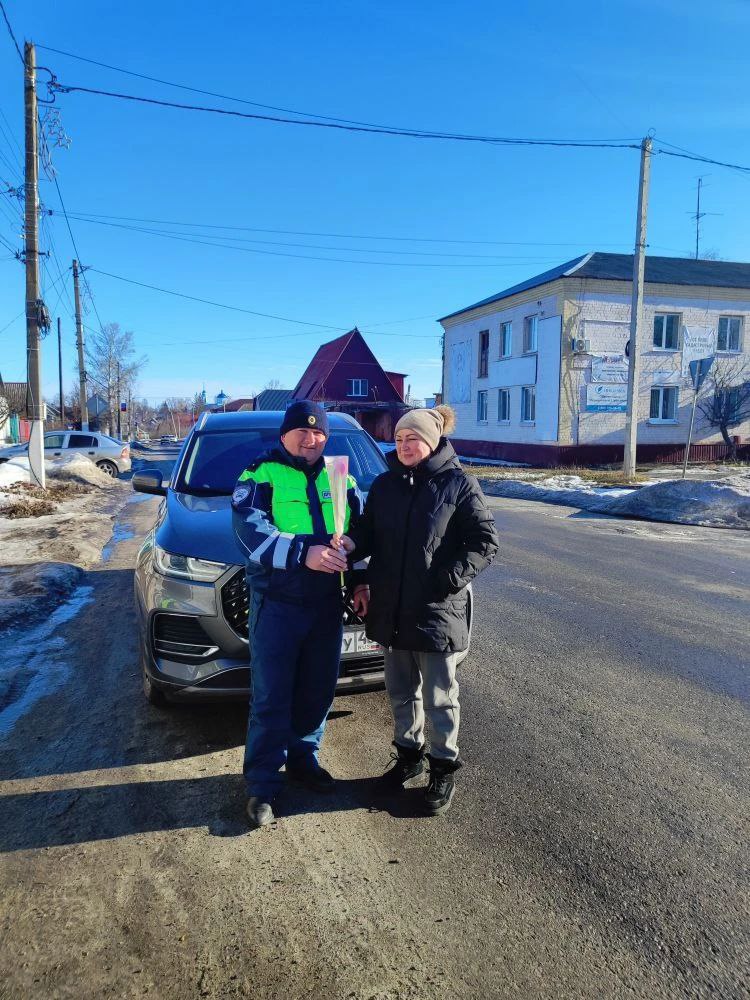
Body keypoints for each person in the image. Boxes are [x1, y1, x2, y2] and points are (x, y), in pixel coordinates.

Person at [333, 404, 498, 815]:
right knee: (401, 691)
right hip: (392, 609)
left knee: (440, 697)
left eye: (415, 439)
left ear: (433, 441)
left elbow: (484, 542)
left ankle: (442, 768)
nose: (405, 445)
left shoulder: (459, 485)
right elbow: (369, 531)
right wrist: (353, 544)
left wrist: (447, 581)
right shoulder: (387, 485)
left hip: (436, 610)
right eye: (401, 438)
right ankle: (409, 755)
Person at [232, 400, 367, 828]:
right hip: (278, 604)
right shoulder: (260, 472)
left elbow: (359, 528)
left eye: (318, 433)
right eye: (302, 432)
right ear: (285, 434)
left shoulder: (340, 474)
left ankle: (304, 761)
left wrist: (359, 573)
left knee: (317, 690)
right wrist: (301, 553)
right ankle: (262, 785)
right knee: (272, 695)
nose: (311, 440)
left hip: (327, 603)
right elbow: (250, 531)